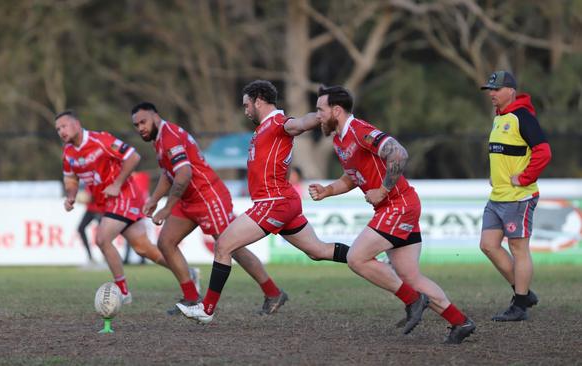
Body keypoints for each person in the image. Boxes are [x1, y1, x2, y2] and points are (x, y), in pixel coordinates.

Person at [307, 85, 475, 344]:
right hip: (397, 205)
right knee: (409, 276)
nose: (317, 115)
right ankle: (460, 322)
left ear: (336, 110)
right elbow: (353, 178)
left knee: (357, 258)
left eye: (320, 109)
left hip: (398, 204)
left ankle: (412, 300)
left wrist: (383, 190)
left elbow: (399, 153)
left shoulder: (359, 130)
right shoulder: (340, 139)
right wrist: (327, 190)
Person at [177, 80, 351, 323]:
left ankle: (206, 309)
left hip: (274, 202)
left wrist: (322, 115)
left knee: (224, 244)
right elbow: (285, 163)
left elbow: (301, 123)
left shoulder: (279, 123)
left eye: (247, 104)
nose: (245, 109)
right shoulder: (262, 130)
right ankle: (367, 256)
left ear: (259, 100)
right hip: (281, 201)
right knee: (317, 250)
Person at [131, 101, 284, 315]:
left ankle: (273, 292)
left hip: (208, 196)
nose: (141, 128)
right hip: (189, 200)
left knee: (232, 247)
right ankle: (192, 298)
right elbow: (169, 174)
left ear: (155, 116)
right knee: (166, 242)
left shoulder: (170, 137)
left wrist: (166, 207)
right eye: (137, 125)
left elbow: (184, 174)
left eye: (143, 122)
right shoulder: (159, 139)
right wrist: (154, 200)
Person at [56, 110, 171, 304]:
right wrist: (71, 196)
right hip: (106, 202)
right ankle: (187, 274)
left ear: (76, 124)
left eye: (64, 126)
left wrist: (117, 183)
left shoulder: (101, 140)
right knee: (143, 248)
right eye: (58, 129)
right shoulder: (68, 152)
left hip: (125, 194)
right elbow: (70, 178)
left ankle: (123, 291)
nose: (61, 131)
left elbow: (133, 157)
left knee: (102, 238)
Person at [479, 71, 551, 321]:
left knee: (518, 248)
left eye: (496, 89)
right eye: (490, 89)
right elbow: (504, 153)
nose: (492, 93)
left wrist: (524, 178)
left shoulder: (522, 116)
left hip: (519, 197)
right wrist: (496, 175)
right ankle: (524, 293)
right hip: (498, 195)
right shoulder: (499, 118)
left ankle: (519, 306)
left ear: (511, 90)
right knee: (488, 245)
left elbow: (544, 152)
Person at [76, 185, 104, 267]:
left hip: (100, 209)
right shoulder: (87, 180)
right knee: (80, 229)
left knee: (102, 235)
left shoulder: (99, 178)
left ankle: (105, 257)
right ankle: (90, 257)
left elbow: (93, 196)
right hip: (90, 209)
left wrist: (86, 197)